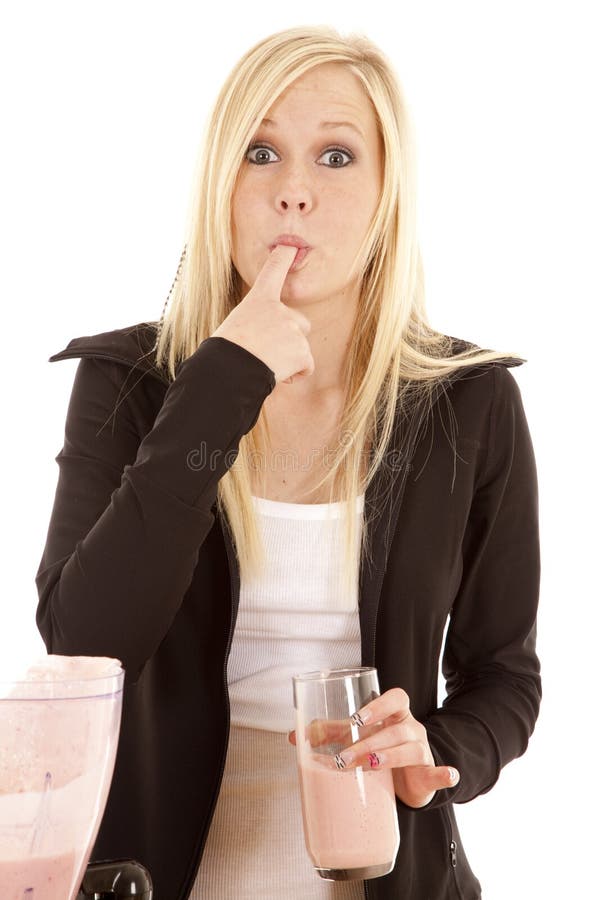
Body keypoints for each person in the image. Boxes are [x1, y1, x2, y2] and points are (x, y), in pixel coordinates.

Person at [35, 24, 541, 900]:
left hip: (390, 876)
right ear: (220, 185)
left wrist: (440, 751)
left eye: (337, 157)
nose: (293, 192)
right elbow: (84, 643)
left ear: (388, 193)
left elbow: (505, 676)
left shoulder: (469, 402)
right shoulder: (130, 385)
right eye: (261, 152)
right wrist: (222, 382)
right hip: (158, 878)